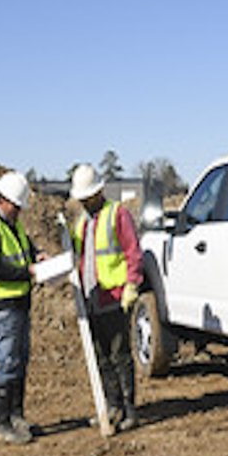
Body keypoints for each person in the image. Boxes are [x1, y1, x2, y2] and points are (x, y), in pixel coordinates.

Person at [70, 163, 143, 432]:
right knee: (101, 357)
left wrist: (132, 285)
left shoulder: (117, 214)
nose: (84, 202)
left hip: (114, 297)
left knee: (120, 355)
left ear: (97, 192)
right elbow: (79, 258)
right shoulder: (82, 223)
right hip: (91, 299)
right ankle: (111, 405)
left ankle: (130, 410)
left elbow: (133, 252)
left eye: (86, 197)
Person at [0, 170, 42, 445]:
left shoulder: (14, 224)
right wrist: (28, 271)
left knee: (20, 361)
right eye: (16, 205)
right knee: (7, 364)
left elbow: (27, 249)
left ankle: (16, 416)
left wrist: (38, 256)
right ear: (2, 200)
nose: (19, 211)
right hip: (3, 306)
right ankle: (2, 424)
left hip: (20, 302)